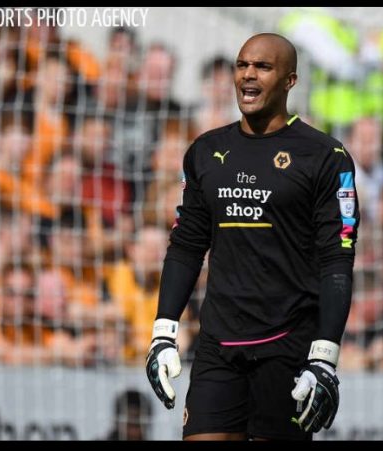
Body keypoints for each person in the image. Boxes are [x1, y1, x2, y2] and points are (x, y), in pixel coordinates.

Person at [145, 33, 360, 440]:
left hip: (287, 346)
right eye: (242, 65)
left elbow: (337, 261)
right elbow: (187, 246)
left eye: (262, 67)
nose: (248, 74)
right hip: (217, 344)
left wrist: (324, 357)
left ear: (290, 80)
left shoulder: (326, 158)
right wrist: (163, 331)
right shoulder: (206, 151)